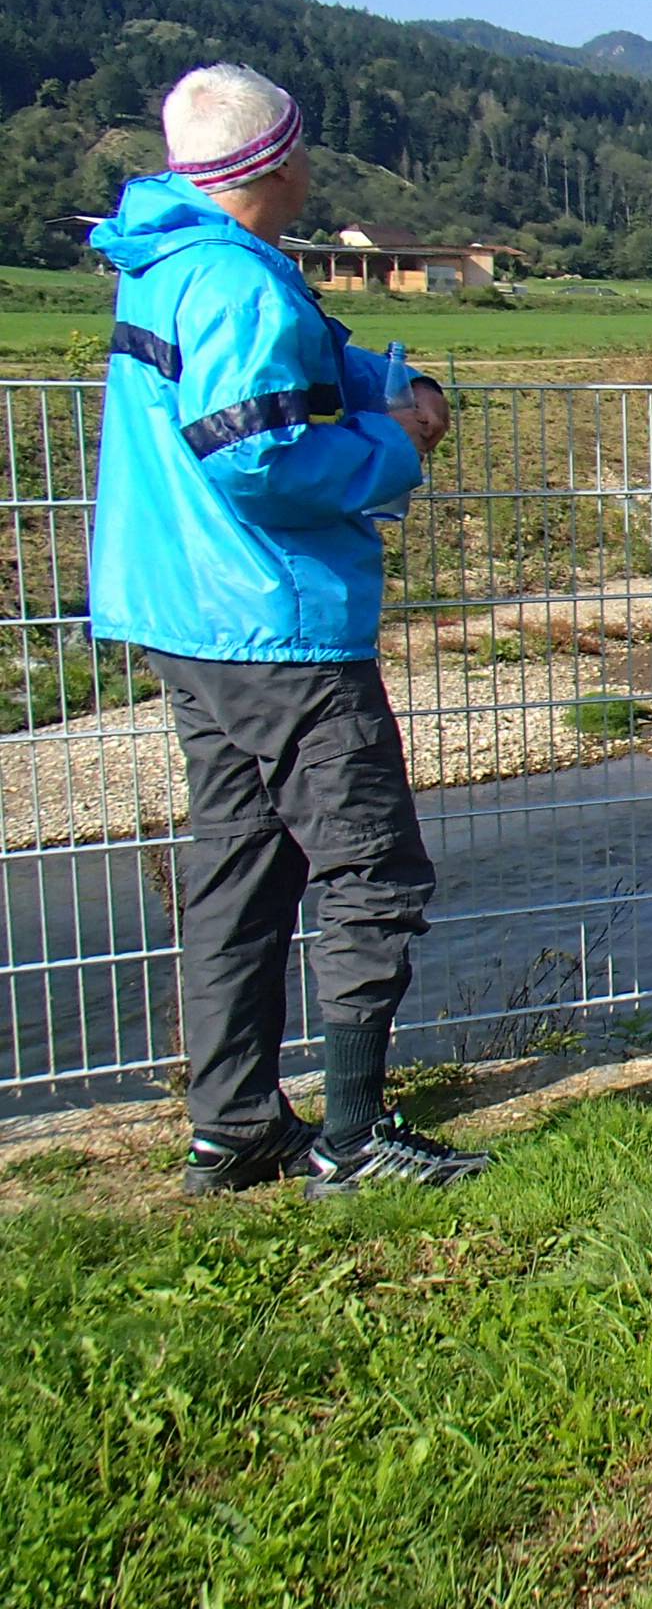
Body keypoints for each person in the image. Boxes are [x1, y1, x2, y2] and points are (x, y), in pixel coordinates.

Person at [89, 62, 492, 1199]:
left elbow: (302, 370)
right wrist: (401, 447)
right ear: (274, 163)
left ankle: (233, 1129)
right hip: (273, 621)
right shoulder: (240, 287)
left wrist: (388, 381)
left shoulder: (168, 262)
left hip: (183, 613)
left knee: (240, 870)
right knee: (371, 869)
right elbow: (259, 456)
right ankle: (356, 1138)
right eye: (306, 148)